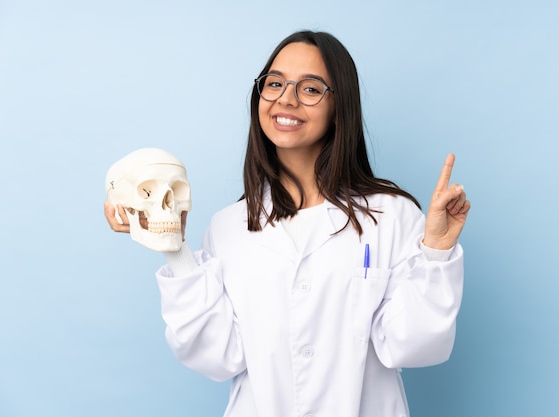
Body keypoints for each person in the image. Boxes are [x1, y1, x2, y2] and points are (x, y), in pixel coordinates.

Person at [104, 30, 470, 417]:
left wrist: (435, 252)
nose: (286, 99)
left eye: (310, 89)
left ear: (339, 106)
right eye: (275, 83)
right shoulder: (230, 226)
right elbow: (218, 357)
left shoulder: (389, 215)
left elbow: (412, 346)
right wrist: (175, 251)